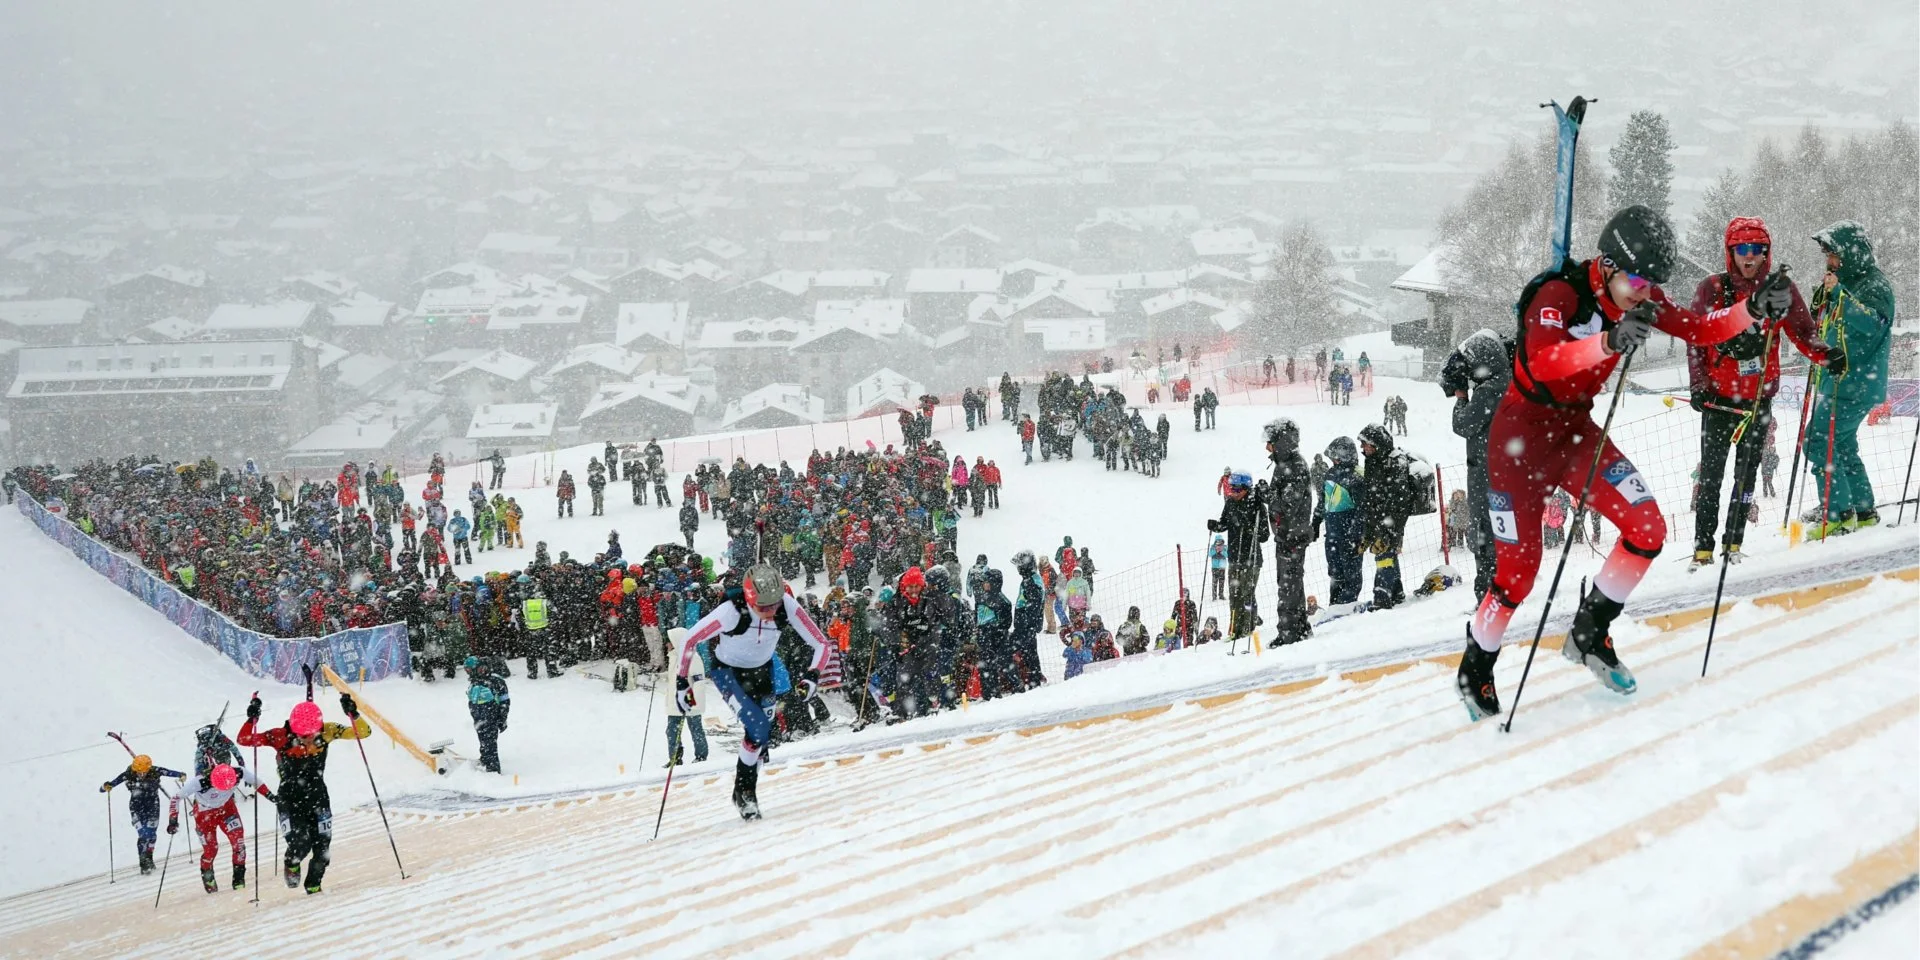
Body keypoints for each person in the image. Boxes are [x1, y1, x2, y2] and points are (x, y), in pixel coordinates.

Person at [1457, 204, 1780, 721]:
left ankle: (1589, 633)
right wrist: (1605, 341)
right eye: (1635, 279)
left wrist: (1754, 309)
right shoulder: (1557, 293)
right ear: (1607, 264)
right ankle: (1475, 667)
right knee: (1519, 573)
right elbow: (1543, 359)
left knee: (1647, 527)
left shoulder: (1642, 296)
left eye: (1653, 283)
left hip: (1574, 433)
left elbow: (1700, 328)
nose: (1643, 291)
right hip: (1519, 440)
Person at [1686, 217, 1834, 565]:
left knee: (1747, 477)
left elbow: (1803, 332)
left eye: (1756, 250)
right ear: (1730, 252)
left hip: (1757, 400)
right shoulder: (1712, 288)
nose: (1749, 257)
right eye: (1742, 250)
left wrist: (1828, 356)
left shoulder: (1781, 288)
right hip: (1718, 400)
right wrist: (1698, 384)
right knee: (1710, 478)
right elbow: (1695, 340)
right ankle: (1703, 548)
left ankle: (1732, 545)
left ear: (1766, 253)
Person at [676, 564, 831, 820]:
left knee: (761, 741)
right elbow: (690, 639)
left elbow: (821, 643)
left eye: (775, 606)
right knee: (758, 728)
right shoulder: (731, 611)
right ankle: (746, 793)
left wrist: (813, 675)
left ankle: (743, 790)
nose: (771, 613)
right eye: (763, 608)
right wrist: (683, 682)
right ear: (749, 600)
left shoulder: (787, 605)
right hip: (728, 672)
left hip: (762, 673)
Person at [1802, 220, 1892, 540]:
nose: (1829, 261)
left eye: (1832, 254)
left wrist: (1839, 295)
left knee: (1817, 440)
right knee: (1840, 442)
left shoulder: (1874, 286)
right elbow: (1825, 325)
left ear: (1850, 254)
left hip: (1856, 382)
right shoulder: (1847, 282)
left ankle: (1838, 514)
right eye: (1827, 254)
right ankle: (1862, 509)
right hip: (1838, 379)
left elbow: (1873, 325)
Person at [237, 692, 371, 894]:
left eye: (312, 735)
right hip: (290, 800)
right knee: (301, 845)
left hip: (318, 796)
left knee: (322, 850)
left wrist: (353, 712)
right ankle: (292, 863)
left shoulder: (327, 731)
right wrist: (252, 718)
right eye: (302, 736)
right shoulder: (280, 736)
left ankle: (314, 887)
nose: (308, 739)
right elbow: (244, 739)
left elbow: (364, 732)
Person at [1440, 329, 1512, 602]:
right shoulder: (1509, 382)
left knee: (1485, 538)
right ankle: (1504, 593)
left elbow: (1463, 424)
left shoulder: (1490, 390)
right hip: (1505, 474)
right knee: (1502, 537)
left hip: (1487, 476)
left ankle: (1489, 598)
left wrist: (1461, 397)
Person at [170, 762, 271, 893]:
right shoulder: (200, 782)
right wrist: (173, 819)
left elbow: (256, 781)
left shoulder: (239, 772)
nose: (224, 790)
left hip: (227, 810)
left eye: (229, 787)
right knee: (211, 850)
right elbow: (176, 798)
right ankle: (208, 877)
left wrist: (270, 795)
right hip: (204, 815)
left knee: (238, 844)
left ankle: (239, 879)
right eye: (220, 787)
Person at [1265, 419, 1315, 645]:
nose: (1268, 448)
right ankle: (1300, 628)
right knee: (1292, 582)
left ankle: (1289, 633)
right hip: (1288, 534)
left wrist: (1267, 496)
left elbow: (1287, 504)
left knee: (1288, 584)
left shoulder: (1294, 466)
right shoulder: (1285, 464)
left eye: (1271, 443)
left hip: (1292, 536)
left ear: (1282, 443)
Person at [1358, 423, 1417, 610]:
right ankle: (1397, 593)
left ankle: (1382, 599)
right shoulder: (1373, 460)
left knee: (1384, 555)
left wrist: (1387, 529)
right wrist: (1369, 532)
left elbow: (1399, 502)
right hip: (1378, 519)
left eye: (1365, 444)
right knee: (1387, 554)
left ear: (1376, 444)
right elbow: (1371, 497)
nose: (1362, 448)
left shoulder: (1395, 462)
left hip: (1391, 520)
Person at [1206, 470, 1267, 639]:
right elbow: (1224, 524)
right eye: (1232, 489)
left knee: (1246, 594)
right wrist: (1215, 526)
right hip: (1234, 557)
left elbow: (1265, 535)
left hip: (1251, 558)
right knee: (1234, 596)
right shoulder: (1231, 503)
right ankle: (1235, 630)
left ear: (1247, 488)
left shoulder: (1257, 505)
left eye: (1237, 489)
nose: (1233, 492)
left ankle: (1247, 629)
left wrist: (1249, 529)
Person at [102, 754, 185, 875]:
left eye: (144, 772)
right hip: (136, 807)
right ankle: (143, 861)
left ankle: (149, 857)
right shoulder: (129, 773)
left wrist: (180, 775)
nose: (141, 774)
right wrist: (106, 786)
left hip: (153, 806)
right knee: (143, 834)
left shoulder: (155, 771)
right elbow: (112, 783)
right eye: (138, 772)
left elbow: (169, 772)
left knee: (152, 834)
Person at [1316, 437, 1366, 605]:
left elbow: (1362, 510)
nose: (1333, 461)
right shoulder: (1330, 473)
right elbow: (1323, 500)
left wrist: (1356, 534)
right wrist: (1316, 521)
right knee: (1335, 573)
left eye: (1336, 457)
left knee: (1351, 574)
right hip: (1332, 533)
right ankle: (1335, 605)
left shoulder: (1356, 476)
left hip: (1350, 535)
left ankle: (1347, 606)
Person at [664, 628, 711, 765]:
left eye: (670, 641)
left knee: (695, 728)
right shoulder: (674, 657)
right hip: (675, 702)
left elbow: (698, 682)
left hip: (689, 701)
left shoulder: (692, 658)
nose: (667, 644)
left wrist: (691, 701)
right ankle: (675, 757)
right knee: (671, 731)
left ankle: (701, 756)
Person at [464, 655, 510, 773]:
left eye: (470, 670)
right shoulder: (474, 682)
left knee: (490, 742)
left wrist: (502, 717)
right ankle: (485, 759)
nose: (469, 673)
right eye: (467, 670)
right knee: (483, 740)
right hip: (479, 717)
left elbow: (504, 700)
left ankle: (493, 769)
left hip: (491, 716)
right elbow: (472, 700)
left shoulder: (495, 680)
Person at [1207, 534, 1228, 601]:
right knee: (1214, 581)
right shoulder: (1213, 547)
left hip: (1222, 567)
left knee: (1222, 581)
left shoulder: (1225, 547)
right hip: (1215, 567)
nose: (1219, 543)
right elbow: (1209, 554)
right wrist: (1216, 550)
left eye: (1220, 541)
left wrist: (1222, 551)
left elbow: (1227, 555)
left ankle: (1221, 595)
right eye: (1217, 541)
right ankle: (1214, 595)